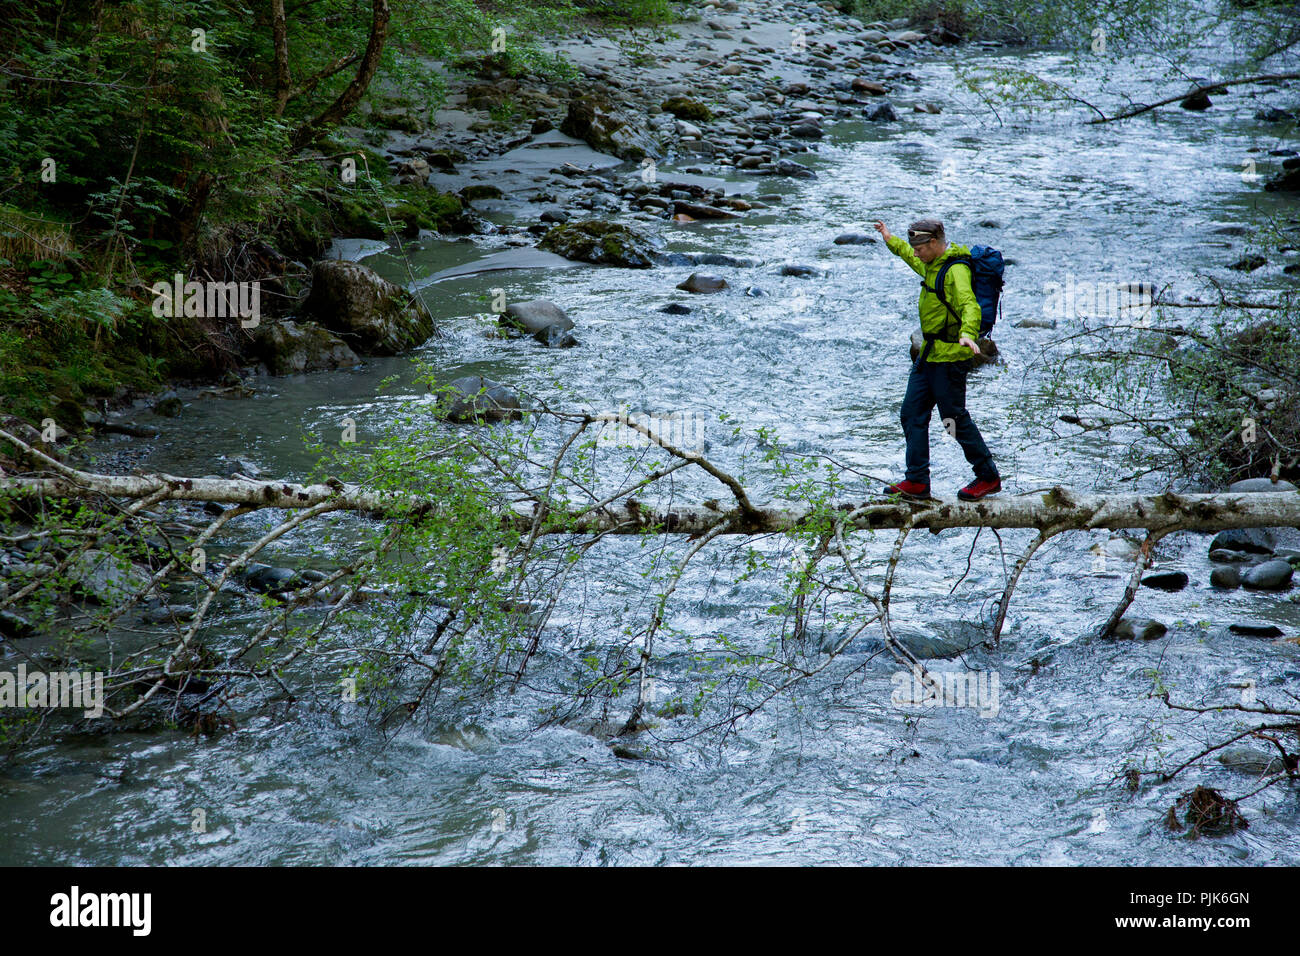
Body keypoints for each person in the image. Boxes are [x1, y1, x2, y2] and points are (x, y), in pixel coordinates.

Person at [873, 218, 1001, 501]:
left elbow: (969, 304)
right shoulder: (932, 265)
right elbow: (909, 257)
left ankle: (988, 476)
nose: (915, 252)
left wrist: (969, 334)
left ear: (933, 243)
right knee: (911, 413)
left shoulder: (955, 271)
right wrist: (889, 238)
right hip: (929, 355)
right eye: (914, 248)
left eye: (919, 247)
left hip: (950, 359)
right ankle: (917, 480)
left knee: (952, 420)